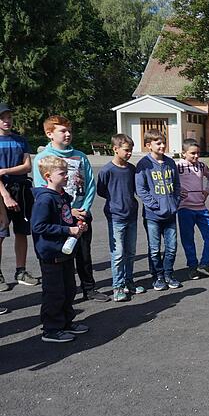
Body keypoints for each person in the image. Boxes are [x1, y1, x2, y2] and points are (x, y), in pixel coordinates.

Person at [33, 115, 106, 301]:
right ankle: (65, 293)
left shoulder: (80, 156)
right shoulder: (43, 158)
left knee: (84, 254)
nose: (67, 134)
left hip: (81, 214)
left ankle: (89, 288)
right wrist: (68, 210)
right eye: (62, 131)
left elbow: (90, 184)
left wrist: (84, 209)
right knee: (63, 256)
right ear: (49, 133)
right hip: (60, 217)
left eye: (69, 131)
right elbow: (41, 187)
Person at [31, 156, 89, 343]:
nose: (66, 176)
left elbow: (64, 218)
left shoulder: (62, 196)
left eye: (67, 172)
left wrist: (76, 226)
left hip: (65, 251)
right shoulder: (44, 200)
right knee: (54, 292)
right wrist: (67, 229)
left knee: (69, 288)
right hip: (50, 253)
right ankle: (51, 329)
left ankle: (65, 322)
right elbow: (38, 226)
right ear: (48, 176)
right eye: (62, 173)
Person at [135, 129, 182, 291]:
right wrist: (154, 205)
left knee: (172, 247)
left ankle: (168, 273)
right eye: (158, 143)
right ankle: (158, 276)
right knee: (154, 249)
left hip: (170, 213)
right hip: (152, 215)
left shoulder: (170, 162)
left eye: (163, 142)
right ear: (149, 145)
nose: (162, 146)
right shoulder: (144, 164)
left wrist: (175, 202)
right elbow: (141, 189)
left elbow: (176, 185)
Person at [0, 102, 38, 291]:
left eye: (9, 117)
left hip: (21, 190)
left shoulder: (21, 140)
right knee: (0, 233)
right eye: (3, 118)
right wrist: (5, 195)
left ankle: (20, 271)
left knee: (22, 231)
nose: (7, 121)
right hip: (2, 192)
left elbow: (27, 166)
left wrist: (5, 170)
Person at [96, 134, 139, 301]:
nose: (129, 153)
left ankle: (129, 282)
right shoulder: (107, 170)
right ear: (115, 149)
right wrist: (115, 201)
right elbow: (101, 190)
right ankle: (118, 286)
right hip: (116, 217)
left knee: (131, 252)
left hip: (132, 215)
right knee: (118, 253)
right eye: (126, 150)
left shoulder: (131, 169)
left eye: (131, 150)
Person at [176, 139, 209, 280]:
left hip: (201, 208)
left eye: (198, 153)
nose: (196, 156)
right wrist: (177, 190)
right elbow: (168, 181)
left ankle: (205, 263)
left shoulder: (201, 166)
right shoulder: (177, 166)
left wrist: (207, 191)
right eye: (192, 153)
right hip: (185, 208)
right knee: (188, 239)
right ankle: (193, 267)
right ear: (184, 153)